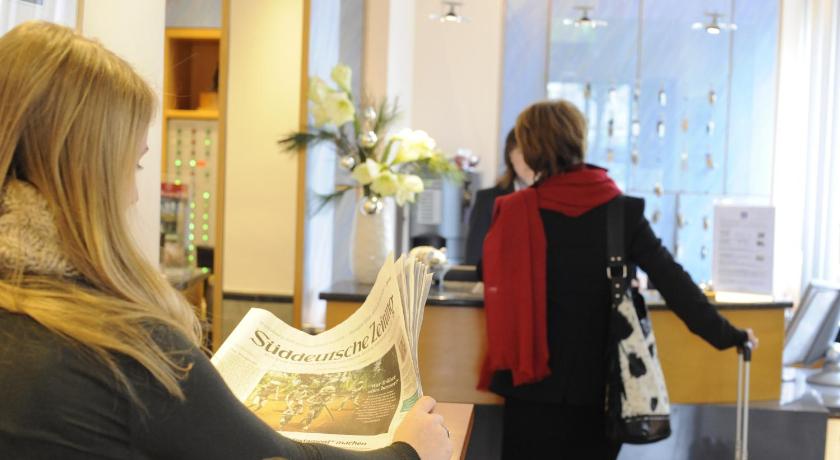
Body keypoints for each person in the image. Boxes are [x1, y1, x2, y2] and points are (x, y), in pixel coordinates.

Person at [0, 21, 452, 460]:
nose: (134, 194)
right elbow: (278, 457)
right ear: (89, 175)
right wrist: (409, 450)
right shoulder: (125, 349)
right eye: (134, 165)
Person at [478, 100, 759, 459]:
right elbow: (674, 282)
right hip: (602, 390)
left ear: (530, 148)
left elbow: (487, 273)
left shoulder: (516, 210)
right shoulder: (620, 210)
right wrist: (729, 335)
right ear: (578, 140)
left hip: (530, 388)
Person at [464, 129, 535, 264]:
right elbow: (474, 259)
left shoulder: (555, 199)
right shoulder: (488, 200)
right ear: (510, 156)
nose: (530, 160)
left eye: (535, 152)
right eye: (522, 152)